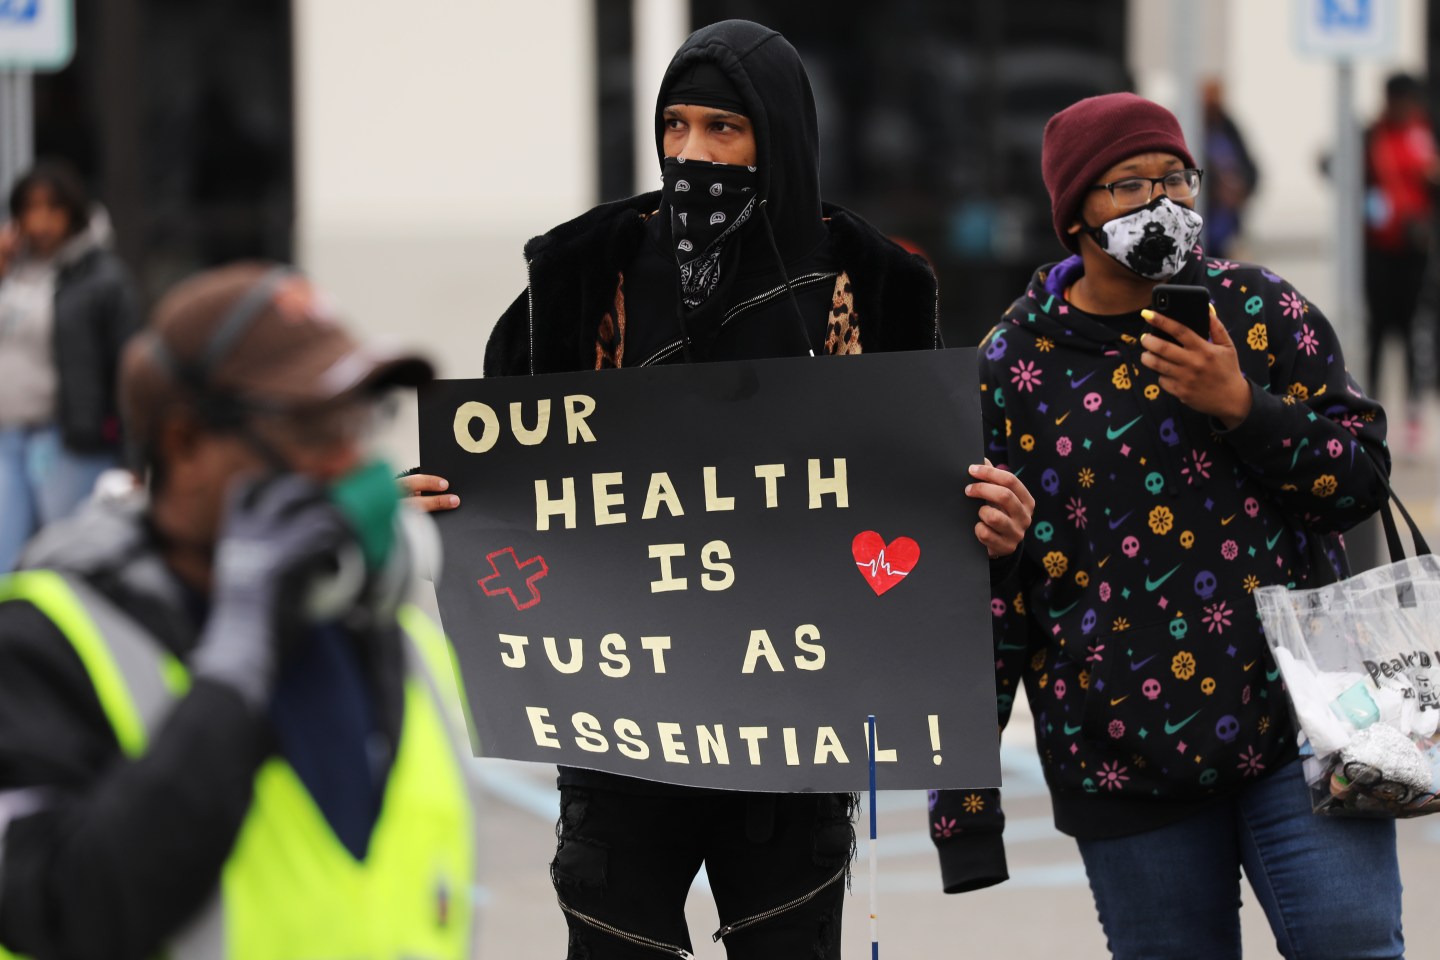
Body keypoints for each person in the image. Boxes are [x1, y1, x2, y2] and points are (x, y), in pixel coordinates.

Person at [404, 19, 1033, 958]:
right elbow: (506, 463)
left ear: (778, 138)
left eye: (725, 130)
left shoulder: (872, 283)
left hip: (794, 734)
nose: (693, 154)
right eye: (676, 127)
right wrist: (442, 504)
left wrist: (990, 521)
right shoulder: (583, 272)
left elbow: (922, 488)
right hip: (620, 724)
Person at [930, 93, 1401, 959]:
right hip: (1123, 760)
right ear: (1075, 213)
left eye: (1176, 179)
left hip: (1305, 725)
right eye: (1131, 186)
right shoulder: (1011, 367)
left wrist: (1240, 404)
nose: (1165, 205)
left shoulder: (1258, 312)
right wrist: (964, 810)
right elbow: (990, 595)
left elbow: (1359, 481)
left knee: (1354, 944)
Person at [0, 263, 477, 959]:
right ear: (185, 445)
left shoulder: (395, 638)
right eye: (313, 429)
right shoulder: (46, 642)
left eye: (359, 420)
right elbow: (59, 911)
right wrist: (232, 674)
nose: (352, 462)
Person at [0, 160, 141, 571]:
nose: (40, 221)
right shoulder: (13, 271)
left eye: (52, 208)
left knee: (69, 560)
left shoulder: (101, 278)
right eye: (30, 208)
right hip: (7, 437)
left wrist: (134, 455)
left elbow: (126, 367)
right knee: (6, 560)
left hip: (66, 441)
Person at [1363, 72, 1438, 455]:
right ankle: (1370, 412)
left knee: (1411, 332)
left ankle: (1412, 416)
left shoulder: (1422, 134)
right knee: (1376, 332)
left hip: (1412, 251)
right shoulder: (1372, 136)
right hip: (1377, 249)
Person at [1200, 78, 1259, 259]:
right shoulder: (1190, 129)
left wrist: (1241, 188)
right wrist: (1216, 190)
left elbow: (1251, 169)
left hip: (1228, 229)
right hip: (1204, 225)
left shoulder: (1228, 127)